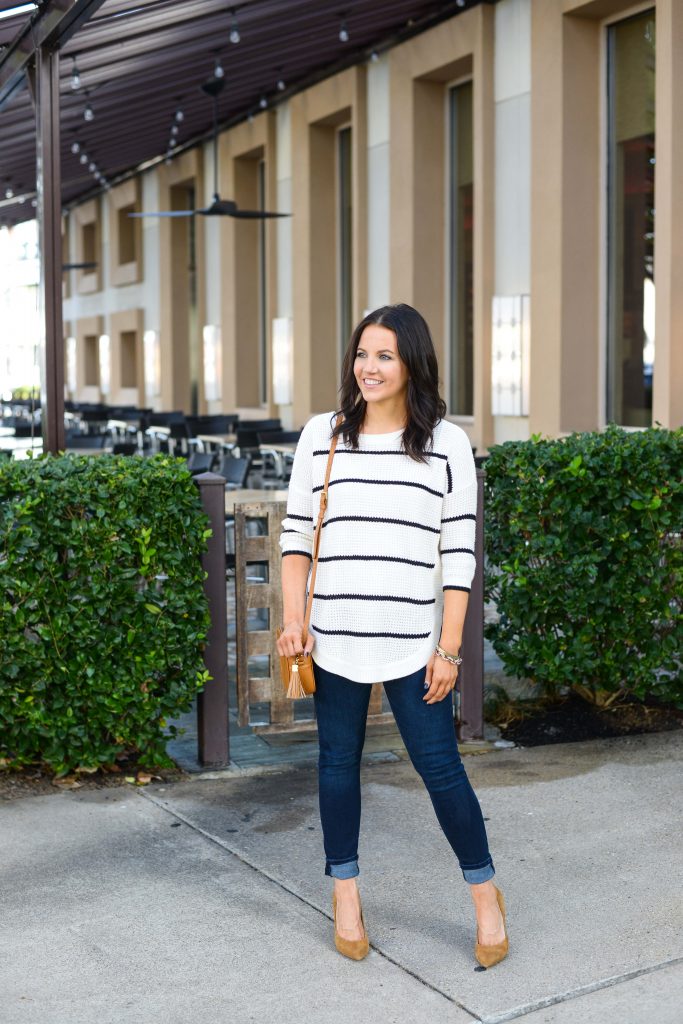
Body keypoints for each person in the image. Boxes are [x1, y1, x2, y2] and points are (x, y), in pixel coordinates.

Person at [276, 303, 508, 967]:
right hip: (333, 636)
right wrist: (294, 619)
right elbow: (296, 536)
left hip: (413, 643)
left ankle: (485, 896)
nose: (369, 368)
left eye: (384, 355)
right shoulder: (322, 435)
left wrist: (449, 649)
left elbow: (458, 553)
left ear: (411, 363)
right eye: (361, 354)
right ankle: (345, 896)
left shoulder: (446, 442)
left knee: (441, 771)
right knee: (335, 766)